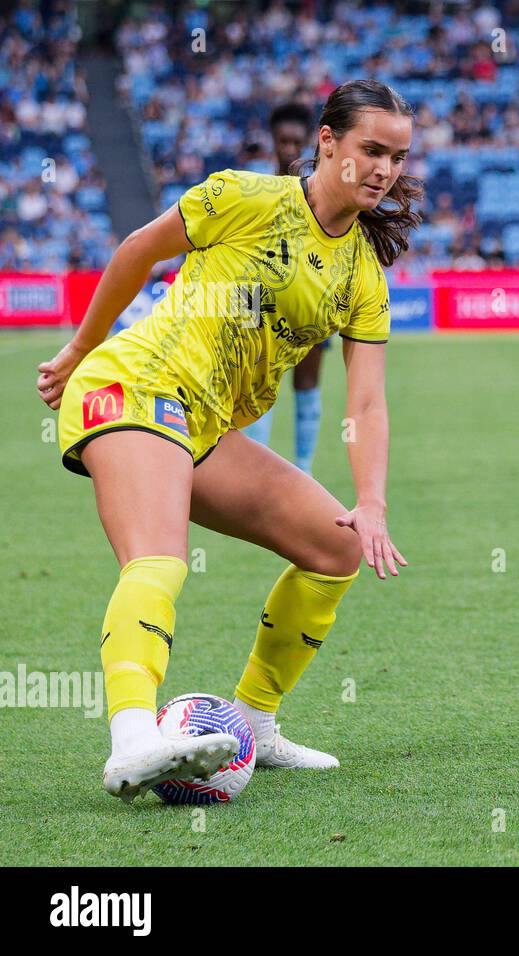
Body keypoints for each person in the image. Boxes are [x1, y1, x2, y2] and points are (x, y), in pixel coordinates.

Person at [36, 79, 417, 802]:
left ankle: (255, 722)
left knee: (335, 548)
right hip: (134, 386)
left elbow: (367, 402)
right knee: (158, 561)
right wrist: (81, 348)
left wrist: (371, 502)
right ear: (327, 142)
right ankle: (133, 740)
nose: (383, 170)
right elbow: (137, 249)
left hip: (200, 425)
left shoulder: (363, 273)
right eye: (371, 150)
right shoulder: (245, 197)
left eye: (396, 157)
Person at [243, 100, 337, 473]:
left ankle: (303, 470)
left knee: (307, 382)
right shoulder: (256, 190)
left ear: (311, 143)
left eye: (297, 142)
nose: (289, 149)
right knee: (253, 383)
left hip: (308, 298)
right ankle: (255, 470)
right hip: (255, 298)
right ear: (272, 142)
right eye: (283, 141)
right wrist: (243, 310)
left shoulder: (324, 195)